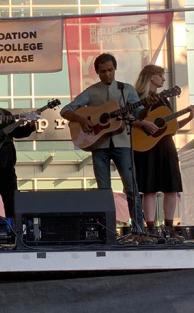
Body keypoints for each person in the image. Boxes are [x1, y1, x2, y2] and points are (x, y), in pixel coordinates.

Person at [60, 53, 151, 235]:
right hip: (98, 146)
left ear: (115, 69)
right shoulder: (91, 92)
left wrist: (148, 106)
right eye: (103, 71)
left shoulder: (127, 90)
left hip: (123, 143)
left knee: (132, 188)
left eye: (110, 70)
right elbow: (65, 110)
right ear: (97, 72)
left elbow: (140, 114)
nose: (107, 74)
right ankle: (107, 232)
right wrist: (82, 120)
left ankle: (139, 231)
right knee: (103, 191)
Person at [133, 65, 194, 240]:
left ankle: (170, 228)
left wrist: (189, 118)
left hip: (166, 146)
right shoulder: (138, 98)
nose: (163, 79)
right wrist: (144, 124)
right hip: (147, 147)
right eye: (160, 75)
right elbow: (131, 120)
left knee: (171, 188)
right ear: (150, 77)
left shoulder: (164, 100)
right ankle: (151, 228)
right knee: (150, 189)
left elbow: (171, 128)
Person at [0, 81, 35, 219]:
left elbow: (18, 132)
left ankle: (14, 231)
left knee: (11, 200)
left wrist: (31, 123)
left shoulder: (5, 114)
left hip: (6, 165)